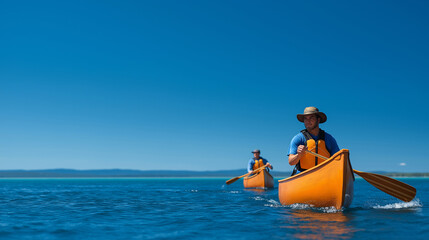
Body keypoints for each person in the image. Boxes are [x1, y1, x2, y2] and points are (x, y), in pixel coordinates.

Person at [288, 107, 340, 175]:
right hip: (303, 176)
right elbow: (291, 162)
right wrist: (299, 155)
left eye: (311, 118)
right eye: (305, 119)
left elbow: (338, 160)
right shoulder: (298, 138)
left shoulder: (329, 139)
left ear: (318, 120)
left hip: (324, 176)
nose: (308, 121)